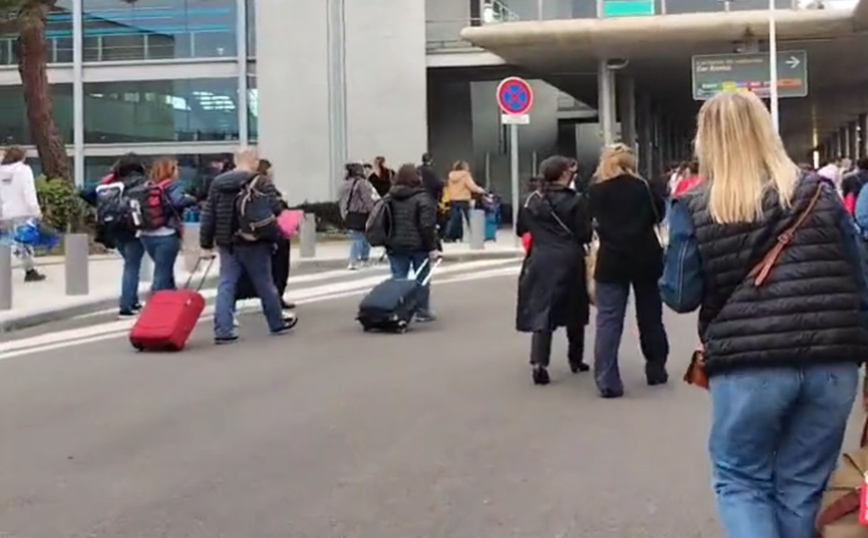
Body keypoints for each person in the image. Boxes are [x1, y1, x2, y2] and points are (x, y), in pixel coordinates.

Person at [659, 90, 868, 538]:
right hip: (833, 362)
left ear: (706, 142)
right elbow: (859, 274)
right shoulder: (819, 193)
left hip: (750, 365)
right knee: (803, 485)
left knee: (741, 479)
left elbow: (679, 294)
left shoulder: (694, 205)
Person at [588, 143, 669, 398]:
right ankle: (656, 367)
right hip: (646, 257)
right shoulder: (645, 188)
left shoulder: (595, 192)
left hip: (612, 259)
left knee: (609, 320)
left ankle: (608, 379)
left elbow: (585, 224)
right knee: (650, 315)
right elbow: (659, 216)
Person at [199, 148, 294, 344]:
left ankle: (223, 330)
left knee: (227, 284)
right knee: (265, 283)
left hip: (227, 241)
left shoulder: (218, 183)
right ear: (254, 161)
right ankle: (276, 323)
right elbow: (275, 210)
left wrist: (205, 243)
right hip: (255, 240)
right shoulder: (261, 181)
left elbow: (209, 214)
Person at [516, 156, 592, 385]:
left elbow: (522, 229)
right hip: (569, 256)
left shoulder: (530, 201)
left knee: (543, 309)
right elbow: (584, 233)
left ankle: (539, 362)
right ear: (562, 175)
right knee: (575, 308)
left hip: (539, 257)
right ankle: (576, 359)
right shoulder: (577, 201)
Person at [80, 153, 148, 317]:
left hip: (112, 229)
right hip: (133, 228)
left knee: (130, 265)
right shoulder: (141, 182)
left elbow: (85, 193)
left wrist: (107, 180)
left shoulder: (113, 184)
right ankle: (126, 306)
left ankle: (133, 301)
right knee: (132, 267)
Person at [234, 158, 295, 325]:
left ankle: (228, 310)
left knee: (237, 275)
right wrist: (282, 201)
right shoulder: (264, 184)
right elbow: (275, 208)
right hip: (266, 232)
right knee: (270, 274)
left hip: (241, 234)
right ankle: (276, 317)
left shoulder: (234, 185)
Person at [385, 163, 440, 322]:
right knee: (421, 278)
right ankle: (422, 311)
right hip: (419, 246)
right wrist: (432, 247)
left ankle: (398, 309)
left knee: (398, 278)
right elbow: (426, 225)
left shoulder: (390, 197)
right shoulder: (423, 198)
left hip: (395, 244)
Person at [139, 157, 196, 293]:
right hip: (167, 234)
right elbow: (178, 201)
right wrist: (192, 199)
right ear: (171, 170)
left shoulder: (147, 186)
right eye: (176, 168)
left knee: (164, 269)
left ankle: (170, 298)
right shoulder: (174, 184)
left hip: (146, 235)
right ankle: (157, 305)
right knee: (162, 273)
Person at [0, 146, 45, 282]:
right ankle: (30, 271)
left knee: (5, 242)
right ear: (21, 157)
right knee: (24, 243)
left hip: (6, 211)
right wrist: (36, 211)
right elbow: (29, 192)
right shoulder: (24, 170)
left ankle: (4, 271)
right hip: (23, 211)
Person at [338, 162, 376, 270]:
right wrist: (373, 211)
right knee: (363, 237)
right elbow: (366, 199)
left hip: (350, 213)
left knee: (357, 237)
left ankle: (354, 260)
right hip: (362, 213)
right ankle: (361, 259)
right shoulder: (361, 183)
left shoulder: (345, 184)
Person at [444, 160, 485, 241]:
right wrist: (480, 190)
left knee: (454, 219)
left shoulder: (451, 176)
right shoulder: (465, 175)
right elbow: (471, 186)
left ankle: (449, 236)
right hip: (463, 199)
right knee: (469, 218)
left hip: (453, 199)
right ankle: (475, 236)